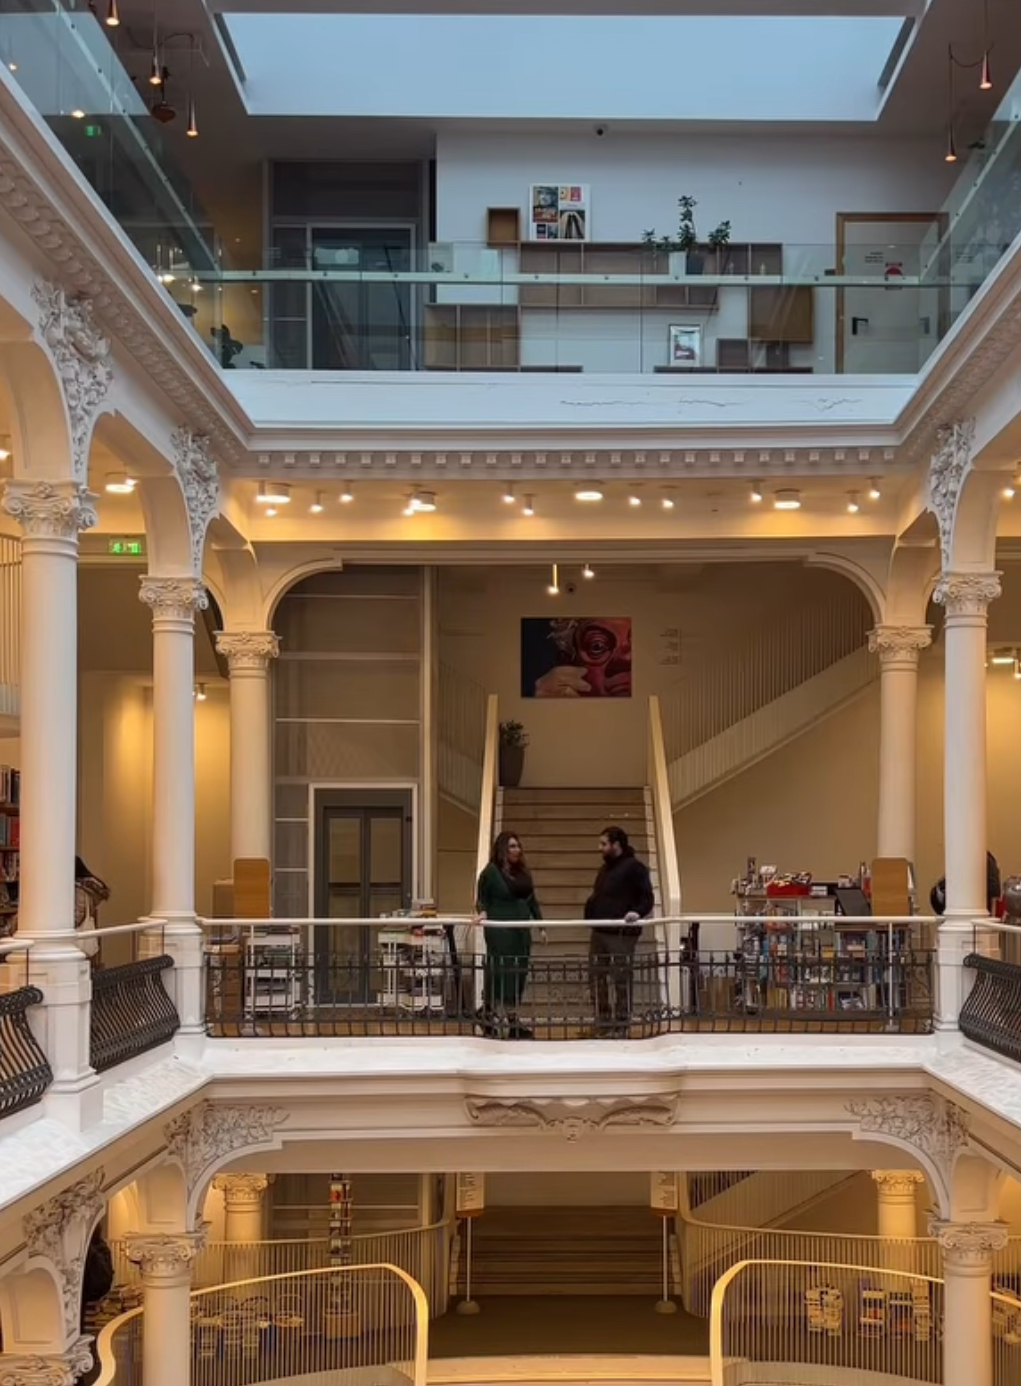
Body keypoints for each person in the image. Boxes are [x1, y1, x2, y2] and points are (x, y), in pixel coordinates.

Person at [585, 826, 654, 1036]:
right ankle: (603, 1022)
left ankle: (621, 1024)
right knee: (597, 977)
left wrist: (637, 912)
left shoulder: (635, 868)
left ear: (616, 845)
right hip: (600, 930)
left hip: (621, 934)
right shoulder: (604, 870)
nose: (600, 848)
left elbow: (647, 897)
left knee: (621, 978)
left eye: (604, 844)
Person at [475, 831, 542, 1039]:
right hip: (500, 931)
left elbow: (531, 900)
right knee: (501, 972)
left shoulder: (523, 873)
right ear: (503, 849)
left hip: (521, 932)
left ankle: (510, 1019)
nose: (517, 850)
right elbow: (482, 897)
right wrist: (482, 912)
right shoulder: (491, 872)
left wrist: (540, 925)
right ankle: (489, 1013)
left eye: (518, 846)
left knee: (518, 973)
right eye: (512, 846)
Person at [929, 851, 1001, 915]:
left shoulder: (981, 857)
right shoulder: (974, 857)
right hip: (963, 905)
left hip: (972, 906)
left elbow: (994, 889)